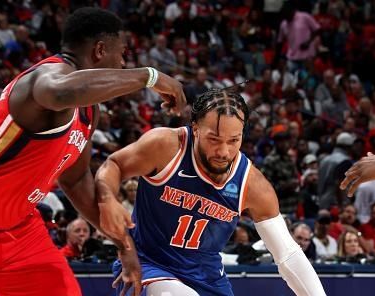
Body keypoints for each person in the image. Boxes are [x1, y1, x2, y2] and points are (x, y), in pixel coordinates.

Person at [0, 7, 186, 296]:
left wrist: (123, 243)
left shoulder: (87, 111)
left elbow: (74, 180)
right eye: (121, 54)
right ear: (99, 51)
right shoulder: (47, 76)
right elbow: (59, 92)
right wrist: (150, 76)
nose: (123, 62)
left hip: (18, 228)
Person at [96, 89, 326, 296]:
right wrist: (108, 199)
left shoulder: (253, 184)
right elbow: (113, 166)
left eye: (233, 140)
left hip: (207, 279)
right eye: (214, 139)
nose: (223, 151)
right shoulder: (166, 147)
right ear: (195, 129)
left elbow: (287, 254)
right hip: (147, 264)